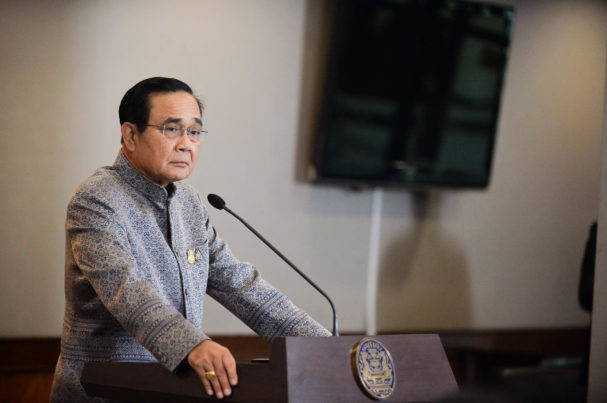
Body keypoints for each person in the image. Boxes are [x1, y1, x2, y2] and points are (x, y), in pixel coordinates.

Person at [50, 77, 330, 402]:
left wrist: (327, 347)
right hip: (102, 390)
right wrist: (193, 345)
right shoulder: (96, 199)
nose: (186, 144)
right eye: (172, 129)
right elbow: (125, 290)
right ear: (130, 135)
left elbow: (239, 284)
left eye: (194, 132)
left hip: (175, 390)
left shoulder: (189, 203)